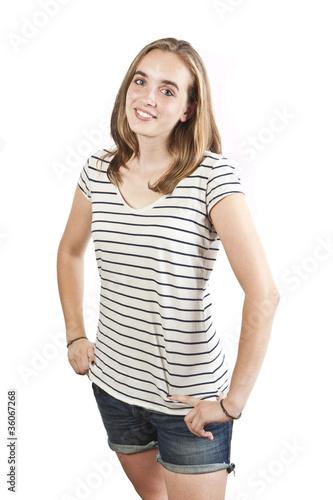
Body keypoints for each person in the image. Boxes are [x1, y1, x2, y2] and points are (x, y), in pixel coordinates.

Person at [57, 37, 279, 500]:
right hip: (114, 387)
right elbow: (70, 251)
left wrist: (232, 403)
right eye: (141, 81)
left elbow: (264, 294)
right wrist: (76, 333)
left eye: (168, 90)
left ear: (188, 110)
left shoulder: (211, 176)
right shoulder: (97, 169)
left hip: (192, 404)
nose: (147, 97)